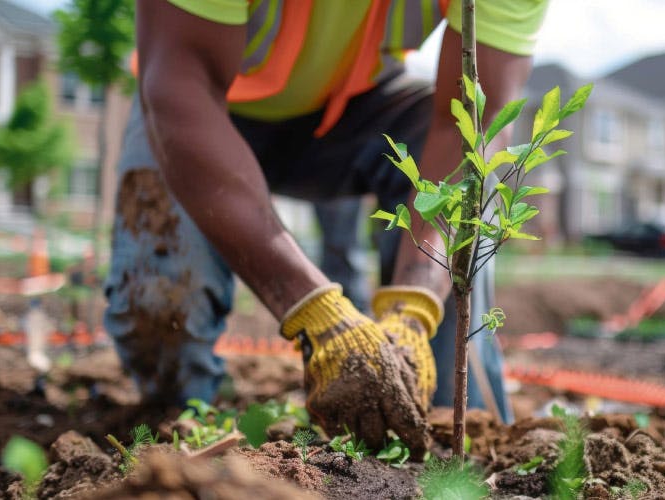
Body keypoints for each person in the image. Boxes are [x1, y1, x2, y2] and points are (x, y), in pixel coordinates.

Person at [108, 0, 547, 453]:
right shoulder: (188, 92)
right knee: (161, 294)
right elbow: (181, 84)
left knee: (471, 167)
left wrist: (415, 308)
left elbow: (477, 117)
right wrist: (312, 309)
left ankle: (446, 434)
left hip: (354, 109)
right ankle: (171, 431)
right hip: (196, 107)